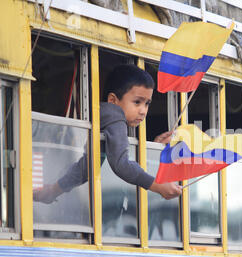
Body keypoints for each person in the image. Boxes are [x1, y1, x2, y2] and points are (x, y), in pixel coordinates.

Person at [33, 64, 182, 203]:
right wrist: (157, 186)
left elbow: (87, 167)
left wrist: (54, 190)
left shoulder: (105, 115)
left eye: (147, 103)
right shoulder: (114, 116)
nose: (143, 110)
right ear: (112, 100)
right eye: (137, 102)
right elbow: (121, 164)